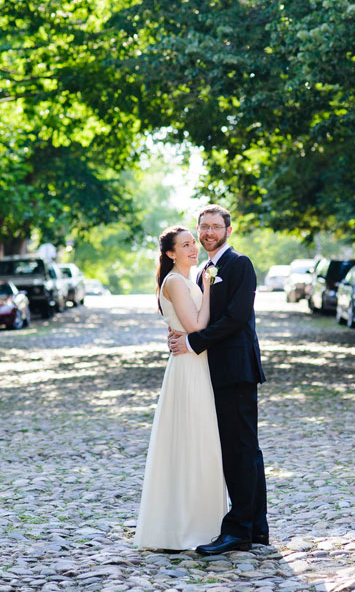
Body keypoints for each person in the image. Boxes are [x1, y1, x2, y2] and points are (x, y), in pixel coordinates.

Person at [168, 205, 268, 555]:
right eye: (203, 227)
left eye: (215, 226)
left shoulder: (239, 264)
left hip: (237, 369)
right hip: (215, 371)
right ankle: (256, 527)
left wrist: (194, 342)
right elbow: (198, 316)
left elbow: (236, 317)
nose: (208, 233)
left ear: (228, 229)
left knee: (240, 449)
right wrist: (181, 332)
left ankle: (239, 529)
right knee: (242, 449)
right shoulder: (204, 272)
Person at [136, 225, 227, 550]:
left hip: (195, 363)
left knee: (199, 441)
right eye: (185, 245)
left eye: (193, 243)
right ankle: (185, 527)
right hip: (188, 367)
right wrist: (208, 287)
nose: (193, 248)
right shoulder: (176, 281)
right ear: (171, 253)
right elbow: (196, 326)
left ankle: (199, 520)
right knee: (191, 441)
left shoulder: (186, 279)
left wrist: (202, 285)